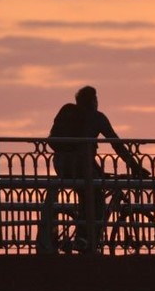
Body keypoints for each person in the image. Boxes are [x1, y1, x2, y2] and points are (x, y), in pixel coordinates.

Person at [47, 85, 149, 250]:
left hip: (62, 164)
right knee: (97, 199)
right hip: (81, 167)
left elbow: (79, 149)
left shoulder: (69, 112)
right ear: (93, 101)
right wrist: (135, 167)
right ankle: (84, 239)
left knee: (86, 196)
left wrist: (99, 171)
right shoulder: (97, 117)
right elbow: (116, 144)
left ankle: (84, 237)